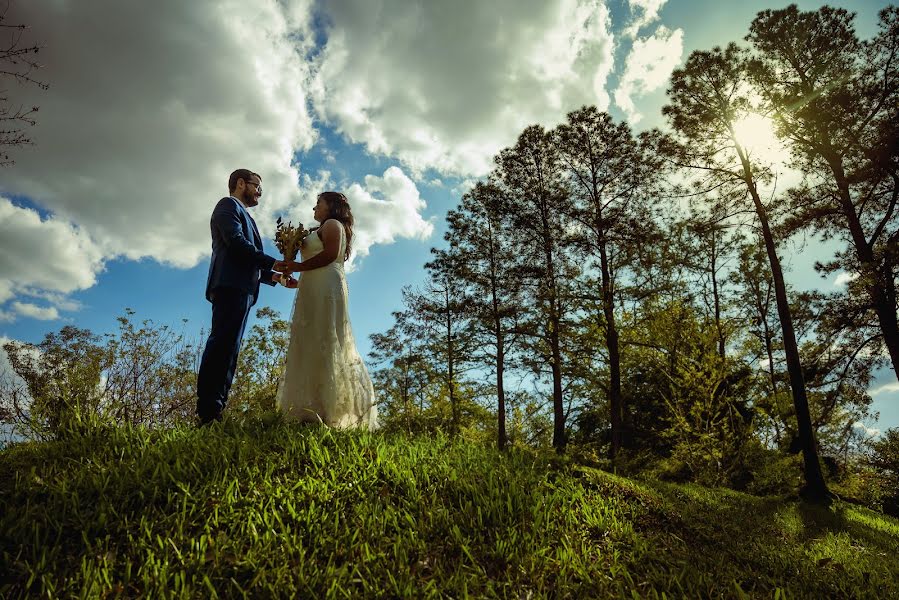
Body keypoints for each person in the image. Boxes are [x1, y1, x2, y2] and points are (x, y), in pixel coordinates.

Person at [196, 169, 293, 426]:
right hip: (230, 286)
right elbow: (236, 244)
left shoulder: (246, 215)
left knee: (230, 350)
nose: (259, 192)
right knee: (222, 347)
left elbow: (245, 260)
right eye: (257, 186)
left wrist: (274, 276)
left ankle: (216, 411)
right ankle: (208, 413)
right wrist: (274, 262)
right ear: (241, 183)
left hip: (243, 289)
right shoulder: (227, 205)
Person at [276, 192, 378, 429]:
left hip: (326, 286)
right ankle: (307, 410)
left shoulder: (332, 224)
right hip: (313, 285)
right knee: (310, 337)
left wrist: (299, 266)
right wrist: (296, 278)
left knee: (324, 336)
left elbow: (330, 255)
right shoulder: (319, 228)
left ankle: (328, 409)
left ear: (331, 206)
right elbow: (315, 264)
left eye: (318, 204)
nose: (314, 207)